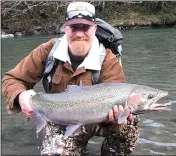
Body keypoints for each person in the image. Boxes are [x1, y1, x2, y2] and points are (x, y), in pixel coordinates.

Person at [2, 2, 139, 156]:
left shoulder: (108, 59)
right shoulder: (48, 51)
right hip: (60, 119)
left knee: (129, 121)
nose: (79, 34)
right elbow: (11, 79)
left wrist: (114, 117)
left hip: (97, 119)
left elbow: (117, 95)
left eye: (85, 28)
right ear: (65, 28)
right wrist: (21, 96)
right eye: (74, 27)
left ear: (94, 28)